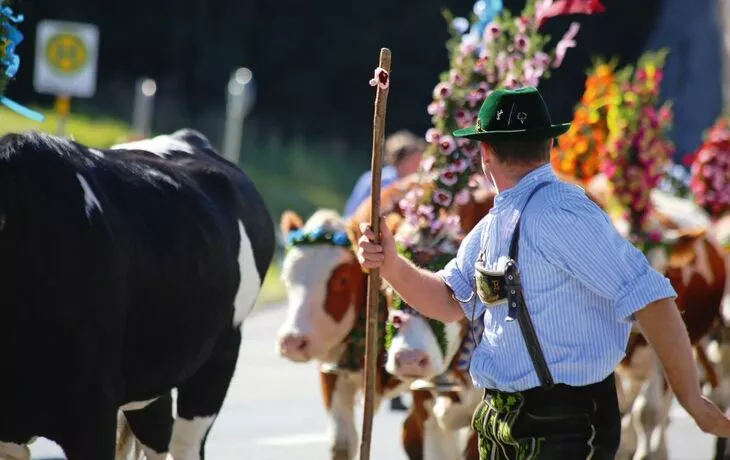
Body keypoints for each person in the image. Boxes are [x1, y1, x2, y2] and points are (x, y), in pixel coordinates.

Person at [355, 86, 730, 458]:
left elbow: (651, 297)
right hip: (503, 420)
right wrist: (390, 264)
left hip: (564, 423)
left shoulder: (561, 212)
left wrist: (692, 400)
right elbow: (451, 301)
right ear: (549, 147)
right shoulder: (494, 224)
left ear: (484, 154)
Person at [343, 129, 425, 218]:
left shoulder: (418, 183)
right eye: (414, 160)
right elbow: (351, 214)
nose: (420, 164)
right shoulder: (373, 180)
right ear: (400, 161)